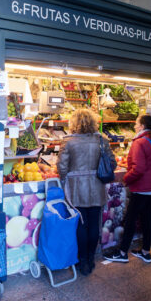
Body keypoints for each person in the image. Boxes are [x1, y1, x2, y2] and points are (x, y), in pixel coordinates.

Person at [58, 109, 116, 276]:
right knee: (93, 224)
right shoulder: (101, 140)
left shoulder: (68, 142)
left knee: (81, 225)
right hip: (97, 187)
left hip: (76, 189)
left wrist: (64, 181)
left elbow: (62, 167)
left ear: (73, 123)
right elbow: (112, 163)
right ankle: (90, 258)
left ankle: (82, 261)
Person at [103, 115, 151, 263]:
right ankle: (145, 251)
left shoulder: (139, 142)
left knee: (130, 219)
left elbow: (138, 169)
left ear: (142, 126)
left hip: (142, 187)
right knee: (147, 217)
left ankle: (123, 253)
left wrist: (126, 179)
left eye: (137, 124)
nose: (135, 126)